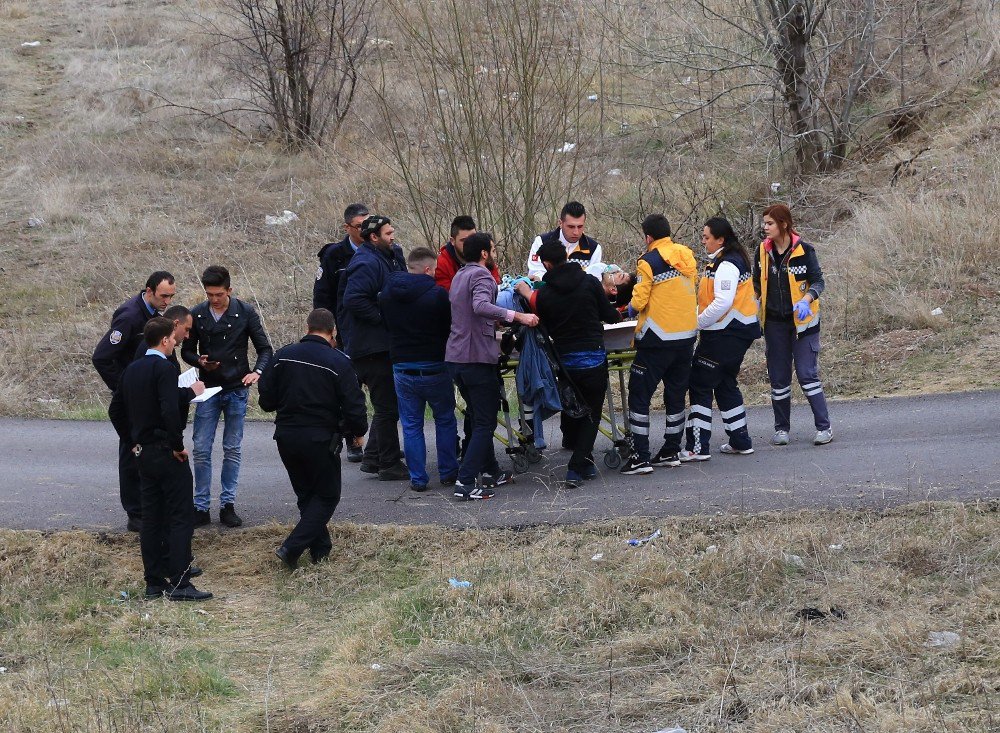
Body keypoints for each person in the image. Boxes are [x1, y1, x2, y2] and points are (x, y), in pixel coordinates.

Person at [108, 317, 212, 601]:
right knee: (180, 517)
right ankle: (181, 582)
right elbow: (168, 409)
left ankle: (154, 582)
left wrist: (132, 442)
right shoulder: (164, 368)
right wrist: (177, 445)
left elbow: (115, 410)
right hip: (165, 450)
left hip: (143, 453)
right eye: (174, 339)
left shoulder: (131, 370)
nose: (176, 342)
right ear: (165, 340)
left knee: (152, 518)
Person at [258, 309, 369, 570]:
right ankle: (292, 547)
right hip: (320, 438)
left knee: (307, 495)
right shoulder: (338, 362)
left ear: (307, 328)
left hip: (286, 436)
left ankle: (321, 549)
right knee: (328, 496)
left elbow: (266, 401)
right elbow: (354, 405)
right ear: (333, 333)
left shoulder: (282, 356)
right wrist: (358, 433)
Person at [516, 241, 622, 487]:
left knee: (575, 410)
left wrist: (523, 291)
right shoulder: (590, 283)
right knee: (591, 414)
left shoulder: (545, 295)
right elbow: (609, 315)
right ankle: (575, 467)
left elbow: (539, 317)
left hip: (566, 365)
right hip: (594, 358)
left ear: (546, 264)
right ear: (566, 256)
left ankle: (584, 462)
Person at [447, 232, 539, 499]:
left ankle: (490, 471)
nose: (495, 254)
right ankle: (465, 482)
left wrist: (494, 323)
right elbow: (480, 306)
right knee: (485, 422)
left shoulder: (460, 275)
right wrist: (518, 316)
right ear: (485, 253)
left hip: (457, 358)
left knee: (478, 417)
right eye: (493, 250)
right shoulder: (482, 276)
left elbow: (469, 313)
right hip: (475, 359)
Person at [181, 266, 273, 528]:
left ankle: (227, 504)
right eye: (209, 294)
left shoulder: (245, 312)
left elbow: (265, 348)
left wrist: (257, 372)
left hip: (235, 387)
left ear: (229, 290)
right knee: (201, 448)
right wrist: (199, 360)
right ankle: (200, 506)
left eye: (218, 294)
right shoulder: (197, 314)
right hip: (208, 389)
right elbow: (186, 350)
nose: (214, 299)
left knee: (232, 448)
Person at [94, 271, 177, 531]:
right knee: (132, 452)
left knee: (149, 450)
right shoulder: (130, 317)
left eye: (171, 296)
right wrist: (125, 389)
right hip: (132, 398)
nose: (167, 301)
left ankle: (149, 507)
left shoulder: (154, 314)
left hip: (147, 396)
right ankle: (135, 512)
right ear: (149, 290)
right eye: (164, 296)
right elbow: (102, 357)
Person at [621, 214, 698, 475]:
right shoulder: (686, 254)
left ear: (648, 237)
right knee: (676, 395)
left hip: (657, 340)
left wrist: (623, 311)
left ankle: (640, 456)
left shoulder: (648, 261)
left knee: (639, 395)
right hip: (686, 337)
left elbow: (639, 302)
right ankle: (671, 450)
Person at [680, 217, 761, 461]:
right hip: (735, 332)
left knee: (700, 383)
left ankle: (697, 446)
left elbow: (722, 302)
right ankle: (740, 440)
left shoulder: (727, 264)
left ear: (720, 239)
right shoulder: (724, 261)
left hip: (725, 333)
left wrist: (697, 323)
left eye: (707, 237)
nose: (703, 241)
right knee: (725, 382)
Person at [379, 247, 460, 492]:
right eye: (434, 270)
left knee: (411, 424)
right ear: (427, 269)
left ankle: (418, 478)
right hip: (434, 365)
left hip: (402, 366)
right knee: (444, 419)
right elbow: (449, 328)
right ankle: (447, 472)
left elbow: (385, 324)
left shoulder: (386, 295)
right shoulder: (437, 296)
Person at [752, 203, 832, 446]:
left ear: (784, 224)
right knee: (778, 378)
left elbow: (818, 281)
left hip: (803, 324)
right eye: (764, 223)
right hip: (775, 324)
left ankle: (824, 428)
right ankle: (781, 429)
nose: (765, 228)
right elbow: (756, 284)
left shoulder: (805, 250)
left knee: (807, 375)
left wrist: (807, 299)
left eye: (769, 223)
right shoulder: (762, 252)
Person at [339, 215, 409, 480]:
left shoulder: (387, 256)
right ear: (373, 237)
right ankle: (389, 464)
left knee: (387, 405)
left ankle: (373, 457)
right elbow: (354, 299)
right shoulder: (367, 262)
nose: (393, 237)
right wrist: (384, 318)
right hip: (371, 349)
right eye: (388, 233)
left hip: (380, 345)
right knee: (388, 407)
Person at [312, 203, 370, 462]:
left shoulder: (379, 249)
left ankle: (381, 442)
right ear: (347, 228)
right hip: (344, 334)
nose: (365, 231)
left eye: (368, 225)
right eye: (360, 227)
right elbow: (322, 298)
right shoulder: (334, 255)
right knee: (348, 389)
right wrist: (328, 332)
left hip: (371, 333)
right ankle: (352, 440)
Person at [526, 201, 604, 281]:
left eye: (580, 227)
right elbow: (535, 274)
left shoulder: (594, 248)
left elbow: (593, 281)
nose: (576, 232)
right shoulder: (541, 242)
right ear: (560, 223)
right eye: (571, 227)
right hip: (546, 291)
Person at [434, 215, 500, 291]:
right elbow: (447, 295)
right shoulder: (442, 263)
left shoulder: (484, 254)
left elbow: (495, 282)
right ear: (452, 241)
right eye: (464, 240)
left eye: (473, 238)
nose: (470, 243)